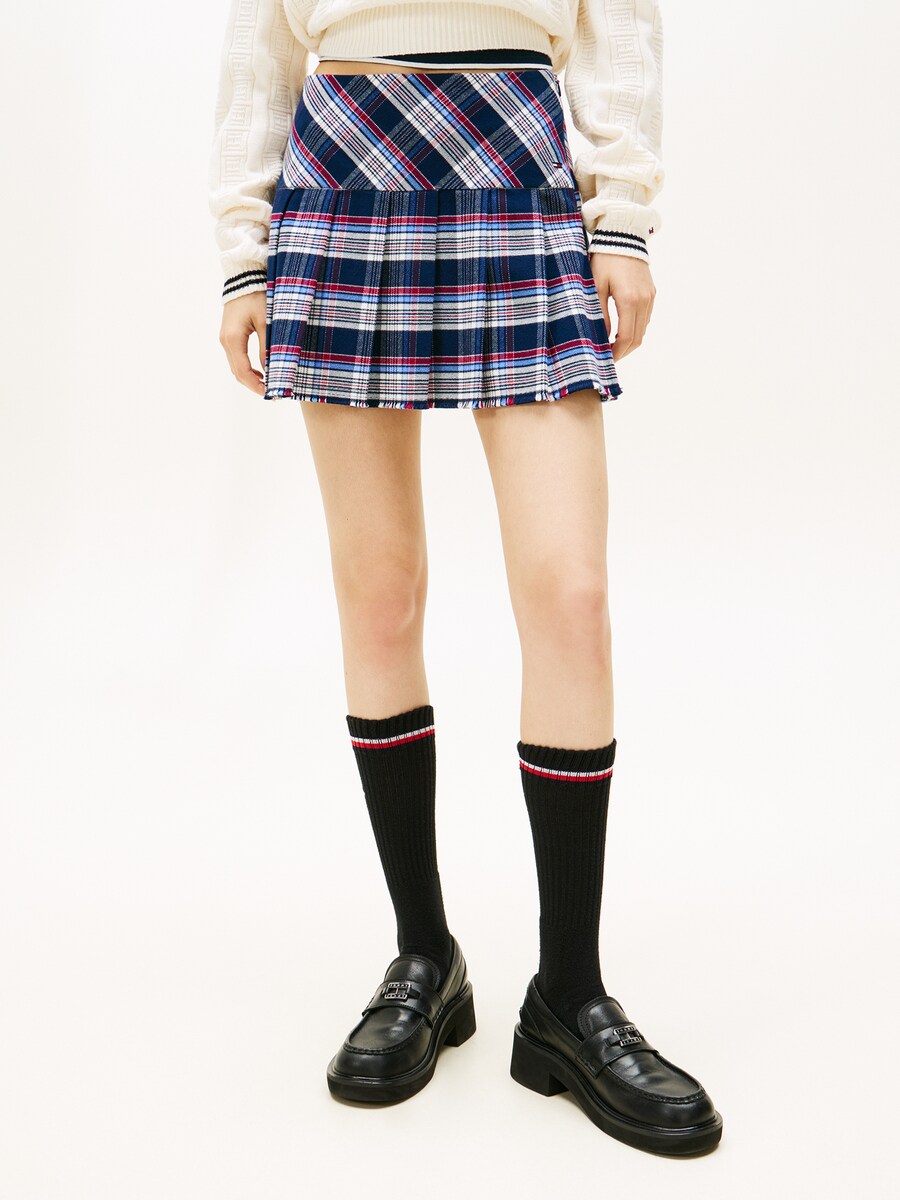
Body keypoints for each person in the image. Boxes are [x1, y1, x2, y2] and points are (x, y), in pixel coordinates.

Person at [208, 0, 723, 1155]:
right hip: (345, 162)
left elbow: (617, 25)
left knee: (570, 598)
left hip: (517, 158)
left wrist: (624, 218)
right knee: (379, 595)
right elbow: (260, 45)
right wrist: (244, 252)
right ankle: (424, 956)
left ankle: (569, 996)